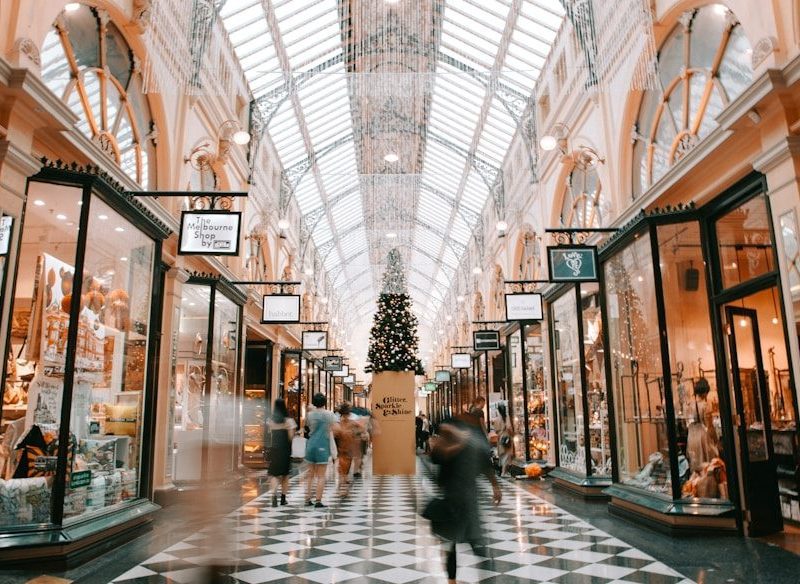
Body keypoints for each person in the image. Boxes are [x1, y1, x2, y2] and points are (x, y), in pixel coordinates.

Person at [428, 419, 502, 584]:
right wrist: (495, 487)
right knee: (468, 544)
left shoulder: (452, 446)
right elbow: (485, 466)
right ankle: (454, 580)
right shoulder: (456, 446)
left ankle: (454, 580)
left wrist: (496, 487)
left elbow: (484, 465)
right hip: (459, 502)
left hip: (461, 501)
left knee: (462, 545)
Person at [304, 392, 336, 508]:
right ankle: (318, 501)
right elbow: (335, 429)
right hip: (322, 445)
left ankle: (307, 499)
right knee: (321, 476)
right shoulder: (329, 414)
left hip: (310, 445)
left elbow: (307, 427)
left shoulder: (309, 415)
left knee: (310, 475)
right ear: (325, 402)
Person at [267, 398, 296, 507]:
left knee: (274, 474)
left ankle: (274, 495)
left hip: (274, 449)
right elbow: (290, 437)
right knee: (285, 475)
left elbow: (270, 435)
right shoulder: (289, 421)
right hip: (285, 450)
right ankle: (283, 499)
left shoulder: (270, 420)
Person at [332, 402, 361, 496]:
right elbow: (361, 429)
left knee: (343, 469)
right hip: (347, 448)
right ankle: (343, 489)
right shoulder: (351, 423)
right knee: (343, 470)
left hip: (343, 449)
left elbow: (334, 433)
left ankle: (342, 488)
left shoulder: (339, 424)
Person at [492, 402, 514, 477]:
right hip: (506, 436)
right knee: (507, 454)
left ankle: (503, 471)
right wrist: (512, 434)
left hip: (500, 437)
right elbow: (508, 427)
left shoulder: (496, 419)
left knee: (502, 454)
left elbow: (495, 430)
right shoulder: (506, 417)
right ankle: (504, 472)